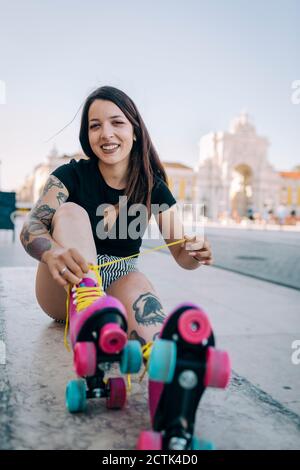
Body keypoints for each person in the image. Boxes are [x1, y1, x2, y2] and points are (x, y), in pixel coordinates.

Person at [20, 85, 213, 347]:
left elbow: (182, 255)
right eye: (95, 125)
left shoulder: (153, 187)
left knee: (142, 292)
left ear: (134, 131)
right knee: (70, 212)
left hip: (118, 279)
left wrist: (195, 252)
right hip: (66, 282)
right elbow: (31, 225)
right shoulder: (70, 175)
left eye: (117, 123)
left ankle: (164, 360)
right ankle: (89, 308)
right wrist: (52, 252)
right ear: (86, 135)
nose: (106, 133)